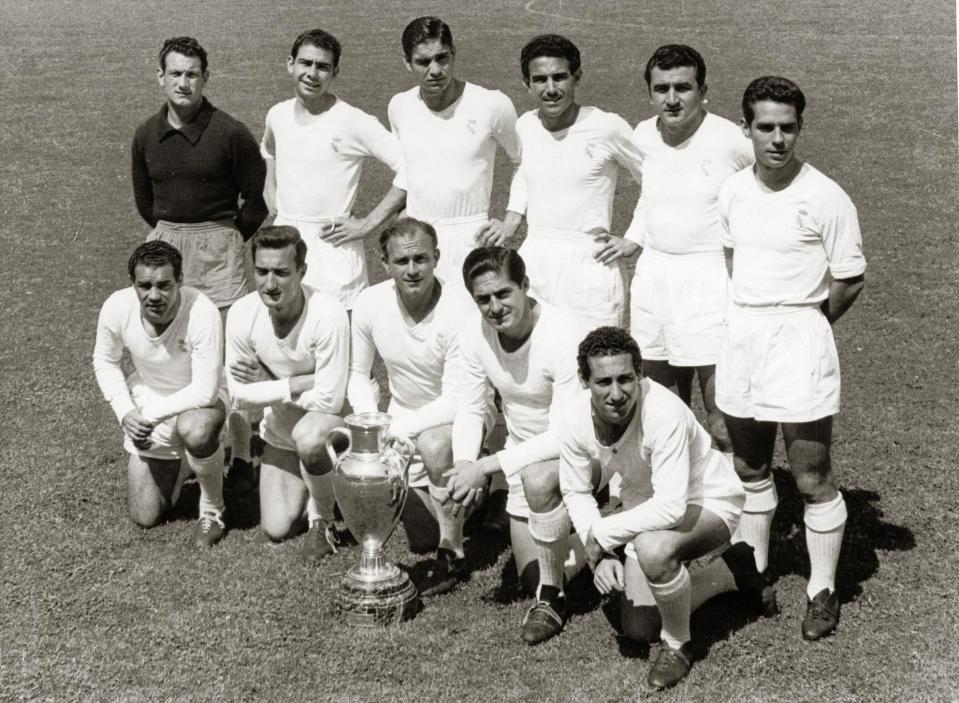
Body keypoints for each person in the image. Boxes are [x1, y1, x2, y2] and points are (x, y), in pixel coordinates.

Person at [716, 76, 866, 640]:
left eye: (787, 127)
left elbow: (849, 278)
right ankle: (754, 578)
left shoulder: (825, 195)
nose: (777, 139)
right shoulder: (732, 191)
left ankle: (821, 589)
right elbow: (733, 259)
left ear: (800, 128)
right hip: (743, 335)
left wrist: (809, 323)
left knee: (810, 476)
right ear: (746, 128)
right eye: (765, 127)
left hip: (800, 335)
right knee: (750, 468)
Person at [557, 327, 775, 689]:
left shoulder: (664, 411)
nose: (616, 394)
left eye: (625, 379)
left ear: (640, 372)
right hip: (647, 504)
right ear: (584, 381)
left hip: (708, 499)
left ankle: (678, 644)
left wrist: (601, 536)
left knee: (654, 549)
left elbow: (672, 507)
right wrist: (601, 552)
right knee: (639, 627)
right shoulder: (572, 417)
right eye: (603, 382)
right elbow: (576, 490)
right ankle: (731, 569)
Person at [131, 36, 267, 490]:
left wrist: (227, 237)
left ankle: (244, 451)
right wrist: (172, 235)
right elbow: (145, 201)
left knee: (231, 351)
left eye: (192, 74)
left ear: (205, 78)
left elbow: (256, 199)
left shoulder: (231, 132)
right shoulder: (146, 134)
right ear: (160, 77)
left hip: (220, 247)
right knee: (177, 345)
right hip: (168, 243)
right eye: (175, 73)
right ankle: (188, 441)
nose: (184, 82)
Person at [443, 247, 590, 645]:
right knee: (530, 572)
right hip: (521, 452)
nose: (494, 307)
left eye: (503, 293)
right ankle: (606, 540)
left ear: (525, 286)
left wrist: (487, 466)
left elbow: (563, 436)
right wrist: (463, 466)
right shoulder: (475, 333)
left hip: (584, 452)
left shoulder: (563, 336)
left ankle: (552, 599)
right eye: (483, 299)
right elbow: (471, 407)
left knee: (538, 477)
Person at [622, 45, 754, 451]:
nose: (672, 99)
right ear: (649, 93)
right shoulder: (642, 135)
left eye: (684, 87)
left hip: (709, 278)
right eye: (662, 88)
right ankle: (679, 498)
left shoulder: (732, 140)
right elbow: (650, 194)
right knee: (662, 408)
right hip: (653, 277)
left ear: (704, 91)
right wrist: (633, 236)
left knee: (721, 414)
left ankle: (739, 502)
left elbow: (765, 189)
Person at [348, 217, 477, 594]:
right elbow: (358, 376)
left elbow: (457, 399)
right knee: (420, 536)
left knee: (435, 445)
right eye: (401, 261)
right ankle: (472, 504)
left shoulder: (460, 307)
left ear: (437, 257)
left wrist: (396, 431)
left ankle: (453, 554)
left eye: (421, 258)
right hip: (401, 418)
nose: (412, 269)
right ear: (384, 263)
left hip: (461, 416)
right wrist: (369, 425)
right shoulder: (369, 302)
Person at [488, 34, 645, 329]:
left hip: (590, 266)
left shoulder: (607, 127)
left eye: (559, 77)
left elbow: (654, 178)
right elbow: (524, 170)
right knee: (536, 363)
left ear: (577, 76)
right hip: (534, 260)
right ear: (527, 83)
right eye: (540, 80)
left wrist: (635, 238)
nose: (550, 89)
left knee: (594, 364)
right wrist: (511, 220)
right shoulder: (526, 125)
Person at [225, 226, 350, 561]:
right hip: (281, 431)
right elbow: (237, 395)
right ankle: (326, 484)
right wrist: (295, 383)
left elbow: (329, 401)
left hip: (333, 426)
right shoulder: (241, 313)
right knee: (276, 528)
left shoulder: (328, 313)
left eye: (281, 272)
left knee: (309, 437)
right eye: (262, 272)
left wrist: (266, 383)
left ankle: (322, 520)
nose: (270, 284)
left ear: (302, 272)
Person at [93, 241, 228, 547]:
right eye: (145, 286)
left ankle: (213, 508)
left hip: (202, 401)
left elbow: (205, 390)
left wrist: (148, 418)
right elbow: (105, 359)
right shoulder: (117, 306)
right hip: (149, 398)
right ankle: (183, 463)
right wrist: (127, 413)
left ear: (180, 280)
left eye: (164, 285)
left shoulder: (202, 311)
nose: (154, 295)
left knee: (195, 430)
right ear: (133, 284)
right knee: (146, 515)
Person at [262, 28, 407, 310]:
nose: (312, 74)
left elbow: (410, 168)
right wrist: (270, 186)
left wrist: (368, 224)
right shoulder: (277, 114)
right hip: (284, 248)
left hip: (334, 250)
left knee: (339, 345)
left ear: (335, 72)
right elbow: (268, 148)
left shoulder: (353, 121)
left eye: (323, 67)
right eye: (306, 63)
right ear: (290, 63)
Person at [388, 16, 521, 287]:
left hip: (471, 239)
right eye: (423, 62)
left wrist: (510, 222)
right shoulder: (399, 106)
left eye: (442, 58)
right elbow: (407, 169)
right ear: (406, 62)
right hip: (417, 244)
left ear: (454, 53)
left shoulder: (491, 104)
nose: (435, 70)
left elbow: (525, 161)